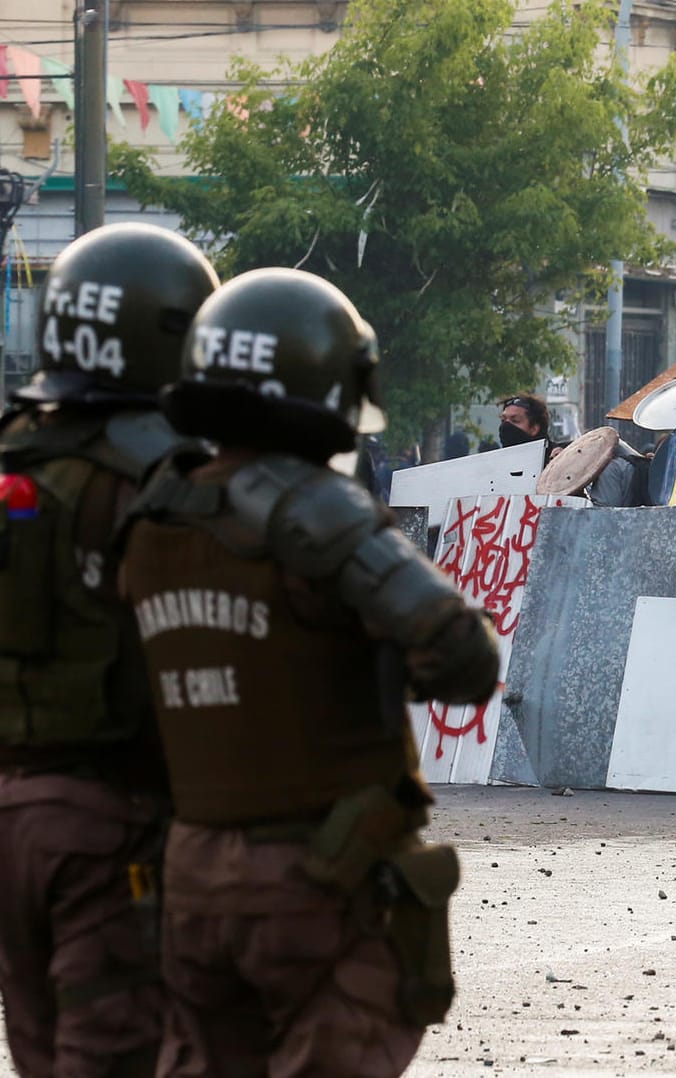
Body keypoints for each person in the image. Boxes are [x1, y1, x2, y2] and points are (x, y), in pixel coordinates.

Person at [118, 268, 501, 1077]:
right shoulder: (318, 511)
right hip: (318, 870)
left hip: (187, 873)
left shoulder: (152, 514)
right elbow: (461, 650)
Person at [0, 223, 218, 1078]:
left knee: (43, 1050)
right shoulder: (168, 478)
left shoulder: (16, 450)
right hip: (119, 819)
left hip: (14, 815)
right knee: (115, 1051)